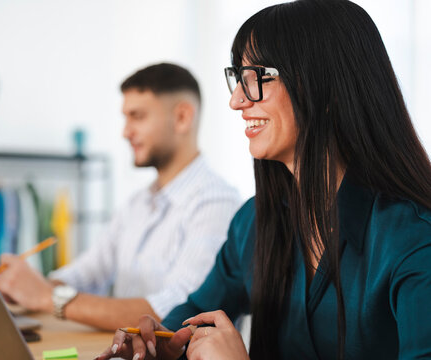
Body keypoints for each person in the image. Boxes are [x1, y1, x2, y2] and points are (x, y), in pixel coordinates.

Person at [97, 1, 431, 359]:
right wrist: (159, 343)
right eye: (237, 78)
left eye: (256, 77)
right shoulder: (252, 222)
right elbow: (194, 314)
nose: (236, 100)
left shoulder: (413, 240)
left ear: (326, 86)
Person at [0, 63, 241, 331]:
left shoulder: (216, 204)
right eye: (125, 118)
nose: (125, 132)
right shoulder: (137, 203)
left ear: (182, 117)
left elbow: (179, 312)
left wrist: (47, 298)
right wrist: (27, 287)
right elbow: (90, 270)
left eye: (137, 116)